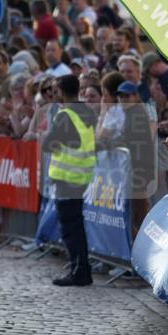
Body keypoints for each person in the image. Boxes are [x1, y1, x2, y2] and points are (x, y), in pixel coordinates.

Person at [42, 74, 97, 286]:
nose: (54, 95)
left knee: (70, 227)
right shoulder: (87, 111)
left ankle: (80, 271)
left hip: (66, 177)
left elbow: (48, 143)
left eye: (55, 90)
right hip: (81, 175)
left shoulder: (65, 114)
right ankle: (81, 268)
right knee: (76, 225)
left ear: (62, 92)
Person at [116, 81, 157, 236]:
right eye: (120, 96)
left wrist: (113, 143)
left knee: (139, 214)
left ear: (135, 96)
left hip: (139, 171)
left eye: (126, 96)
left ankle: (140, 249)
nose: (122, 99)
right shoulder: (131, 112)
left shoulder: (136, 113)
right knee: (137, 213)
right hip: (136, 170)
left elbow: (135, 143)